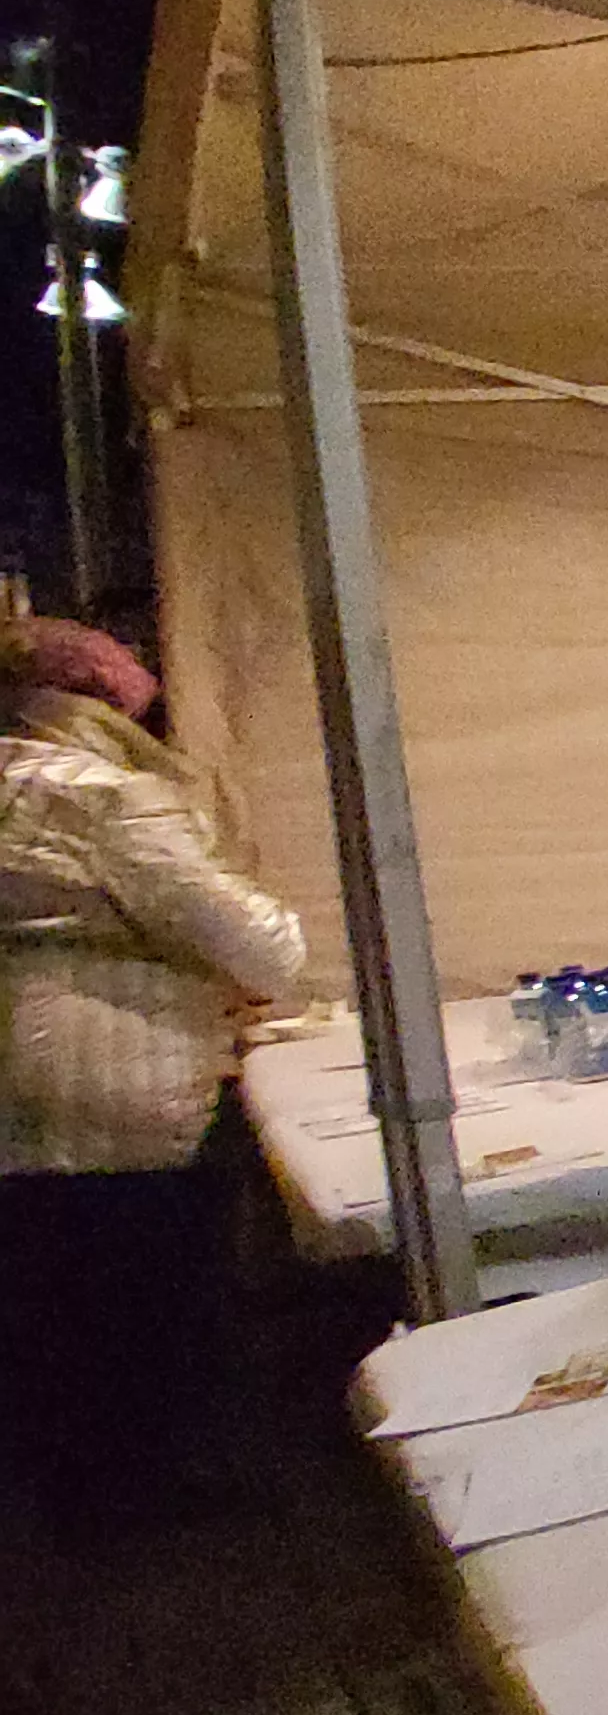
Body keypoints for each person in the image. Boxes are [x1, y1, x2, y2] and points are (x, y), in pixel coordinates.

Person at [0, 618, 304, 1539]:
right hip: (116, 1077)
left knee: (47, 1291)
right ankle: (144, 1509)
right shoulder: (104, 798)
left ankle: (69, 1498)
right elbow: (259, 945)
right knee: (140, 1292)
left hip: (22, 1076)